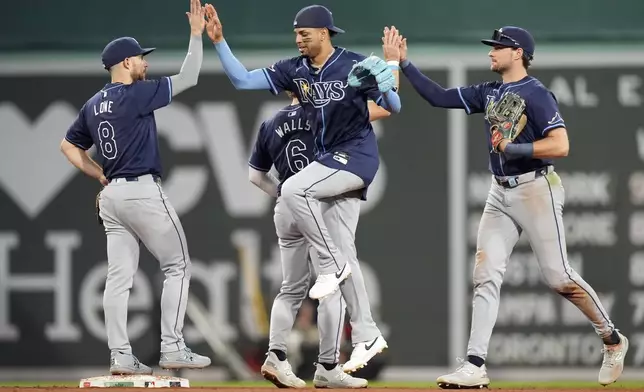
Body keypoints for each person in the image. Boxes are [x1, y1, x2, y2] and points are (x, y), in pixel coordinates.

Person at [399, 26, 629, 388]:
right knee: (485, 274)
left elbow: (561, 145)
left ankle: (612, 339)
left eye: (498, 47)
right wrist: (404, 64)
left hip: (537, 188)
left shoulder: (536, 94)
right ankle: (474, 365)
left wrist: (517, 149)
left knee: (559, 278)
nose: (491, 52)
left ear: (518, 52)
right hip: (499, 193)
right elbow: (439, 97)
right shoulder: (490, 92)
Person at [205, 4, 400, 374]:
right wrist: (219, 42)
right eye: (295, 34)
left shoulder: (353, 64)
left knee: (296, 197)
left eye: (304, 33)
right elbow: (243, 81)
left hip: (352, 159)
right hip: (327, 172)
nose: (298, 40)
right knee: (341, 258)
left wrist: (391, 67)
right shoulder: (293, 71)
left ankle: (333, 286)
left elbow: (393, 105)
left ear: (324, 33)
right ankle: (361, 336)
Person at [59, 0, 212, 375]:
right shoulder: (137, 93)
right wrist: (196, 35)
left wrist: (98, 174)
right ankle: (173, 347)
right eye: (141, 58)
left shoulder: (92, 105)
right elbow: (190, 76)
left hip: (111, 197)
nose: (145, 63)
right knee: (177, 265)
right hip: (142, 190)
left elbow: (67, 146)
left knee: (119, 278)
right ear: (126, 63)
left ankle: (120, 355)